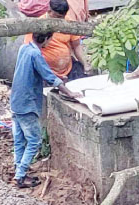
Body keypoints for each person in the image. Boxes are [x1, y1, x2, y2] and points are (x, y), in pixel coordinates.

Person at [10, 31, 80, 189]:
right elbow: (49, 77)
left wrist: (55, 76)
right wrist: (69, 92)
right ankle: (20, 176)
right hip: (27, 104)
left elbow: (42, 70)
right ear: (46, 39)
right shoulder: (36, 54)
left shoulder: (24, 49)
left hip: (16, 101)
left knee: (20, 140)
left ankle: (18, 169)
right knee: (34, 141)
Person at [23, 0, 91, 82]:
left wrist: (85, 64)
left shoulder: (68, 22)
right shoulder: (38, 26)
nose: (61, 21)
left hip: (68, 69)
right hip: (46, 72)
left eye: (63, 17)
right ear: (49, 11)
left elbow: (76, 45)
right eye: (58, 17)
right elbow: (30, 53)